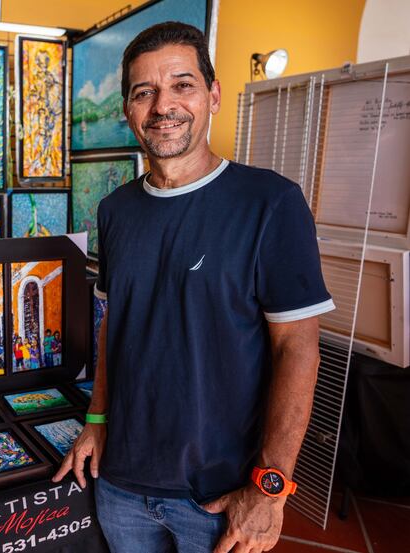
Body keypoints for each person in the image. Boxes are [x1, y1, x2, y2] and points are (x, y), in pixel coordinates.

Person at [53, 22, 334, 553]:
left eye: (182, 84)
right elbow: (117, 325)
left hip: (219, 496)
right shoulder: (115, 211)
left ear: (214, 94)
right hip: (120, 486)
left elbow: (298, 346)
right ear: (128, 110)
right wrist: (95, 420)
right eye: (144, 92)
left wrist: (270, 489)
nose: (164, 106)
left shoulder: (270, 204)